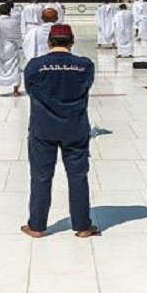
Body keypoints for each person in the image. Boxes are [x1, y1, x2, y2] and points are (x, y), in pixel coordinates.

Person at [21, 24, 98, 239]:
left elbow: (30, 90)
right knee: (78, 177)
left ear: (49, 42)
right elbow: (86, 87)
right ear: (71, 41)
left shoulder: (35, 65)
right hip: (75, 128)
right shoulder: (84, 66)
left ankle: (36, 226)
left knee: (40, 177)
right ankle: (83, 225)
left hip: (43, 128)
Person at [0, 2, 22, 97]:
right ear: (9, 11)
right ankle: (15, 91)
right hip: (11, 47)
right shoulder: (14, 22)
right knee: (14, 68)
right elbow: (18, 36)